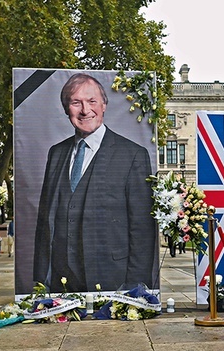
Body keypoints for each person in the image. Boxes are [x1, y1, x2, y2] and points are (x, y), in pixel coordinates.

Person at [33, 73, 158, 293]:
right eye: (75, 102)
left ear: (104, 105)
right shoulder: (56, 153)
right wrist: (41, 281)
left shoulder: (132, 155)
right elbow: (45, 224)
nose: (85, 110)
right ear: (66, 109)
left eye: (92, 101)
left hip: (113, 279)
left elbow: (142, 230)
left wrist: (136, 287)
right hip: (59, 283)